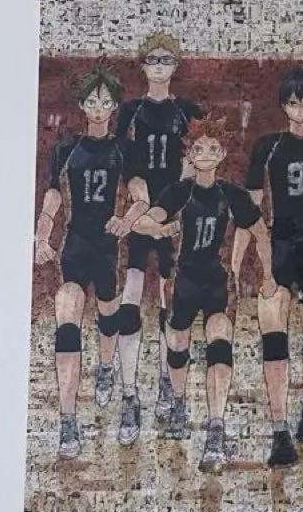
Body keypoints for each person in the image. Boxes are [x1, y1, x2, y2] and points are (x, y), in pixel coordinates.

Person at [137, 114, 271, 473]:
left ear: (223, 153)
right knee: (177, 345)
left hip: (218, 281)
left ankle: (216, 426)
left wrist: (268, 274)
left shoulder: (232, 194)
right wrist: (162, 228)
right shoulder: (179, 191)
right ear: (190, 155)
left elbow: (261, 232)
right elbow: (145, 221)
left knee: (219, 341)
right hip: (185, 280)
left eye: (213, 148)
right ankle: (180, 403)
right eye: (199, 149)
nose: (206, 154)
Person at [233, 69, 303, 468]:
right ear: (284, 106)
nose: (300, 111)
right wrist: (242, 263)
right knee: (274, 338)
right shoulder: (267, 147)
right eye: (294, 103)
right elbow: (249, 212)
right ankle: (280, 430)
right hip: (278, 246)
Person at [33, 63, 147, 458]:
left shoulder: (124, 150)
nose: (98, 108)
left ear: (114, 106)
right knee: (67, 317)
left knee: (108, 316)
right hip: (75, 245)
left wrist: (126, 220)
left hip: (108, 247)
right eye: (92, 101)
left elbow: (141, 196)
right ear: (82, 104)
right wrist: (41, 236)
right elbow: (53, 197)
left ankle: (106, 367)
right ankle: (67, 419)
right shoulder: (66, 149)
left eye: (106, 102)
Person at [112, 32, 202, 427]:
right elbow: (125, 166)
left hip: (172, 214)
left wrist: (168, 216)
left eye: (167, 59)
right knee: (131, 297)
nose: (160, 66)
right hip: (140, 210)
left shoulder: (186, 110)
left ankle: (167, 381)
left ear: (176, 65)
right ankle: (129, 394)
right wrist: (144, 213)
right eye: (153, 59)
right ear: (143, 65)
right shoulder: (131, 111)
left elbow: (192, 167)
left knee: (169, 299)